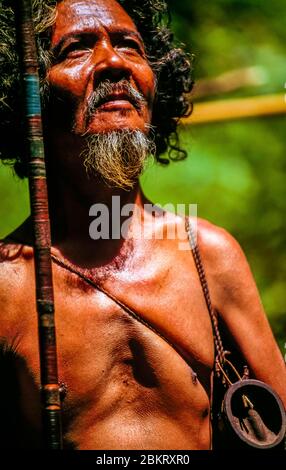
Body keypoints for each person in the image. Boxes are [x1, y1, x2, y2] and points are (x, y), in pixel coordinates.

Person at [0, 0, 285, 450]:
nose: (113, 61)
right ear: (23, 95)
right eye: (76, 49)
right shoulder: (8, 285)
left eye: (130, 45)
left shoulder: (208, 255)